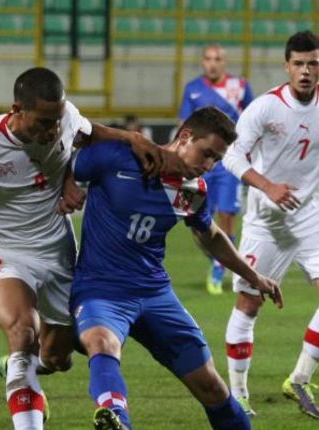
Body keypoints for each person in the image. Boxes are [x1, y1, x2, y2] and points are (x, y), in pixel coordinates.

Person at [0, 67, 178, 430]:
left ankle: (23, 370)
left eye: (56, 121)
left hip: (57, 251)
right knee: (22, 333)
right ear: (17, 109)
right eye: (44, 122)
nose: (52, 131)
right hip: (4, 251)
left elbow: (92, 134)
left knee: (57, 357)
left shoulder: (64, 119)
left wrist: (131, 138)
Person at [70, 106, 283, 430]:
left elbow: (209, 235)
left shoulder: (193, 190)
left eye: (216, 160)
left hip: (155, 295)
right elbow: (62, 162)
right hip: (102, 288)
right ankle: (116, 419)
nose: (209, 166)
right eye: (207, 154)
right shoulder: (117, 157)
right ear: (184, 137)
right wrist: (63, 185)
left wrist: (253, 275)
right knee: (101, 342)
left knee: (211, 386)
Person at [220, 30, 319, 419]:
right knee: (249, 304)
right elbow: (232, 157)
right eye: (298, 64)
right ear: (287, 67)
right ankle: (238, 394)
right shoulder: (265, 109)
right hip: (268, 223)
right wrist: (268, 186)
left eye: (312, 63)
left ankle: (299, 378)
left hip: (314, 217)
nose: (305, 71)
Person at [179, 43, 255, 295]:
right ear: (203, 62)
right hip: (201, 164)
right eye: (208, 58)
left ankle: (217, 270)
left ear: (225, 62)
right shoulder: (193, 90)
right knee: (197, 221)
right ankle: (217, 259)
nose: (213, 63)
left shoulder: (240, 88)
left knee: (226, 215)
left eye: (218, 59)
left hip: (229, 163)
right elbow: (185, 127)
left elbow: (253, 121)